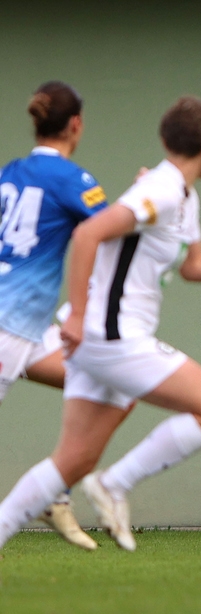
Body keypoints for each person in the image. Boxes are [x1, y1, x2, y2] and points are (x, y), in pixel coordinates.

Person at [0, 96, 201, 552]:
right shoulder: (162, 189)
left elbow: (194, 266)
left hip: (102, 341)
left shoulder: (182, 197)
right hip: (111, 336)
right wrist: (74, 314)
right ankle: (115, 483)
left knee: (72, 461)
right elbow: (88, 233)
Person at [0, 81, 118, 550]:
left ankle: (55, 493)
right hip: (9, 327)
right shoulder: (72, 179)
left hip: (28, 332)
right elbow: (113, 232)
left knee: (101, 381)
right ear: (76, 125)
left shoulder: (10, 172)